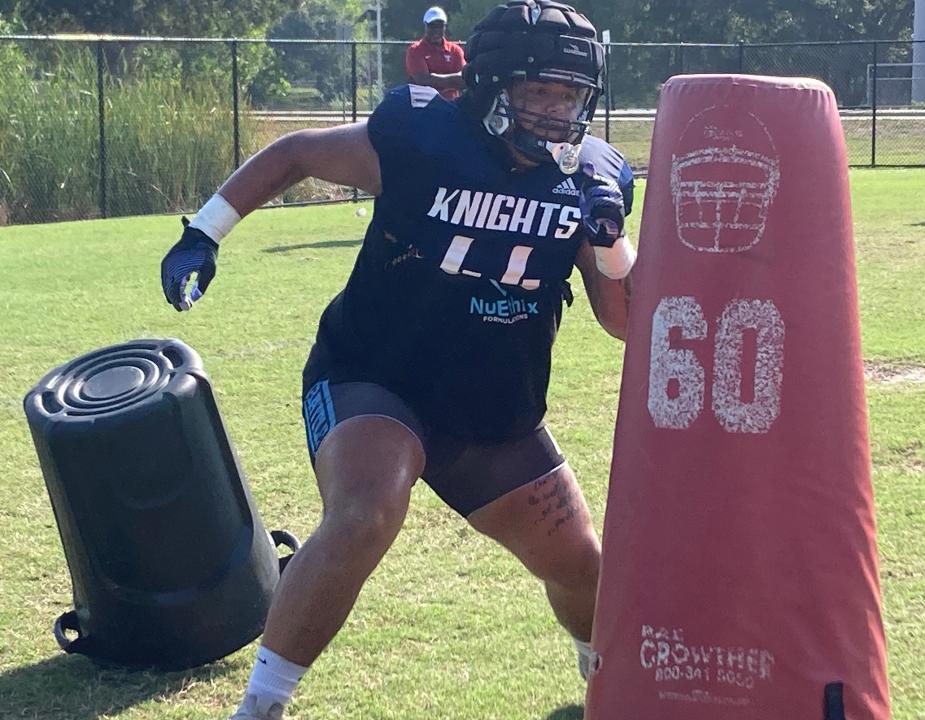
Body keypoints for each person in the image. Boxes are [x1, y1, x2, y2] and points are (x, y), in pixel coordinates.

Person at [160, 0, 636, 717]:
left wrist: (608, 238)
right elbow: (297, 153)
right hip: (376, 374)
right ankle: (259, 707)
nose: (555, 110)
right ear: (492, 86)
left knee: (584, 569)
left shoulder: (589, 177)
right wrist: (207, 229)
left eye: (570, 94)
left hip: (492, 408)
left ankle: (598, 677)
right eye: (538, 90)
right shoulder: (424, 137)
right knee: (367, 508)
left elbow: (623, 321)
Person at [404, 6, 466, 100]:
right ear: (425, 26)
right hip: (425, 105)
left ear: (445, 27)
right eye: (432, 25)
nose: (436, 30)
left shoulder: (455, 50)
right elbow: (422, 81)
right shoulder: (415, 50)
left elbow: (465, 79)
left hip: (452, 106)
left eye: (440, 26)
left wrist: (434, 78)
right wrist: (454, 80)